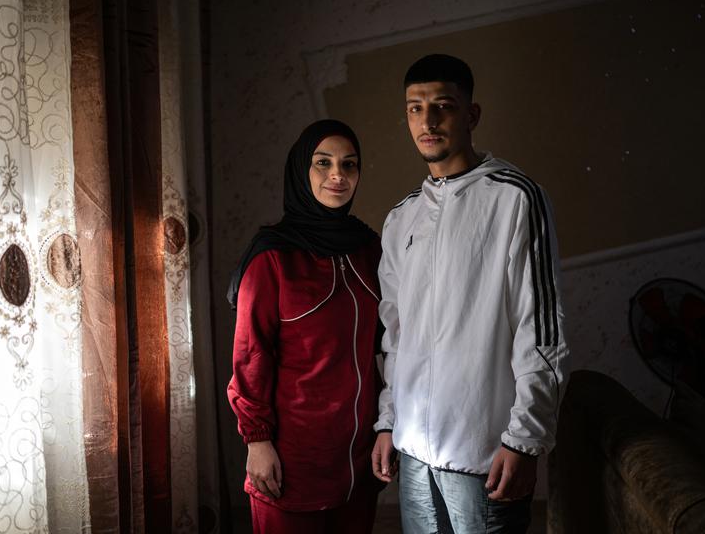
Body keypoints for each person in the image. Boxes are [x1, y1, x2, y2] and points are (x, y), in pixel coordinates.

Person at [371, 54, 569, 533]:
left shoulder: (515, 197)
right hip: (413, 455)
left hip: (484, 453)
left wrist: (524, 439)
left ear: (471, 115)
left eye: (443, 106)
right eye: (415, 108)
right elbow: (396, 334)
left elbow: (539, 327)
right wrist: (386, 422)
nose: (428, 120)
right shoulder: (402, 218)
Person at [227, 119, 383, 533]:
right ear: (301, 169)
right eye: (323, 163)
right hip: (291, 458)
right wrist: (257, 441)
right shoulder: (273, 256)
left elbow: (388, 347)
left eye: (349, 165)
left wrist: (387, 427)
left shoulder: (368, 249)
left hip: (356, 460)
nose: (338, 175)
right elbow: (251, 355)